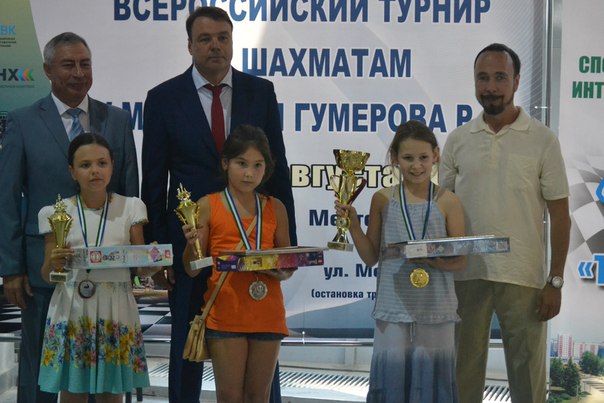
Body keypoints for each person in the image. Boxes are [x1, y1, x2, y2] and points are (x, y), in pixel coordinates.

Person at [141, 6, 296, 402]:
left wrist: (287, 245)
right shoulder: (162, 98)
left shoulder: (260, 91)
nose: (215, 46)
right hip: (191, 242)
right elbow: (154, 182)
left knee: (261, 335)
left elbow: (277, 168)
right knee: (187, 342)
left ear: (231, 41)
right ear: (190, 45)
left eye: (222, 38)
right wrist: (161, 253)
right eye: (205, 39)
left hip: (252, 240)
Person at [0, 32, 138, 403]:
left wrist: (135, 263)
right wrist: (10, 268)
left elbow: (129, 192)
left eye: (85, 64)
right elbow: (7, 198)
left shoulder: (118, 120)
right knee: (42, 374)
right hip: (46, 271)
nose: (78, 73)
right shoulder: (22, 121)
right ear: (47, 70)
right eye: (68, 65)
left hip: (108, 275)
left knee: (103, 373)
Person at [439, 43, 571, 403]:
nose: (491, 87)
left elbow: (560, 215)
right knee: (462, 378)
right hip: (466, 275)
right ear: (474, 82)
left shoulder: (543, 140)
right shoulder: (458, 140)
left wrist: (555, 280)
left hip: (523, 277)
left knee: (528, 381)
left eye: (500, 77)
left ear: (516, 81)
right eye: (483, 78)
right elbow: (441, 211)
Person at [334, 121, 466, 402]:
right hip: (392, 307)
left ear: (436, 155)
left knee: (434, 384)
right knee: (391, 382)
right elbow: (371, 257)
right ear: (394, 157)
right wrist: (353, 226)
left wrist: (434, 262)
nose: (416, 166)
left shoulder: (449, 201)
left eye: (423, 157)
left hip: (436, 307)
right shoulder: (382, 199)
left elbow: (460, 261)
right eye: (408, 158)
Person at [37, 133, 154, 402]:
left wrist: (151, 264)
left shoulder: (131, 207)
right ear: (72, 171)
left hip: (116, 309)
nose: (95, 171)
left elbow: (140, 268)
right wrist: (54, 263)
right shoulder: (55, 212)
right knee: (72, 392)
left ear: (112, 166)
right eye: (85, 165)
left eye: (102, 163)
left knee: (111, 394)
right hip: (72, 308)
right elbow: (47, 274)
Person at [181, 125, 294, 402]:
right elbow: (191, 269)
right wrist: (191, 245)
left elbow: (288, 263)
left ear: (266, 168)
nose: (249, 173)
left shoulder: (275, 207)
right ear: (225, 163)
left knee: (259, 396)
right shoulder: (207, 205)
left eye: (257, 165)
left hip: (267, 313)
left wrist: (278, 270)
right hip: (225, 312)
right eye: (241, 163)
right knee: (229, 396)